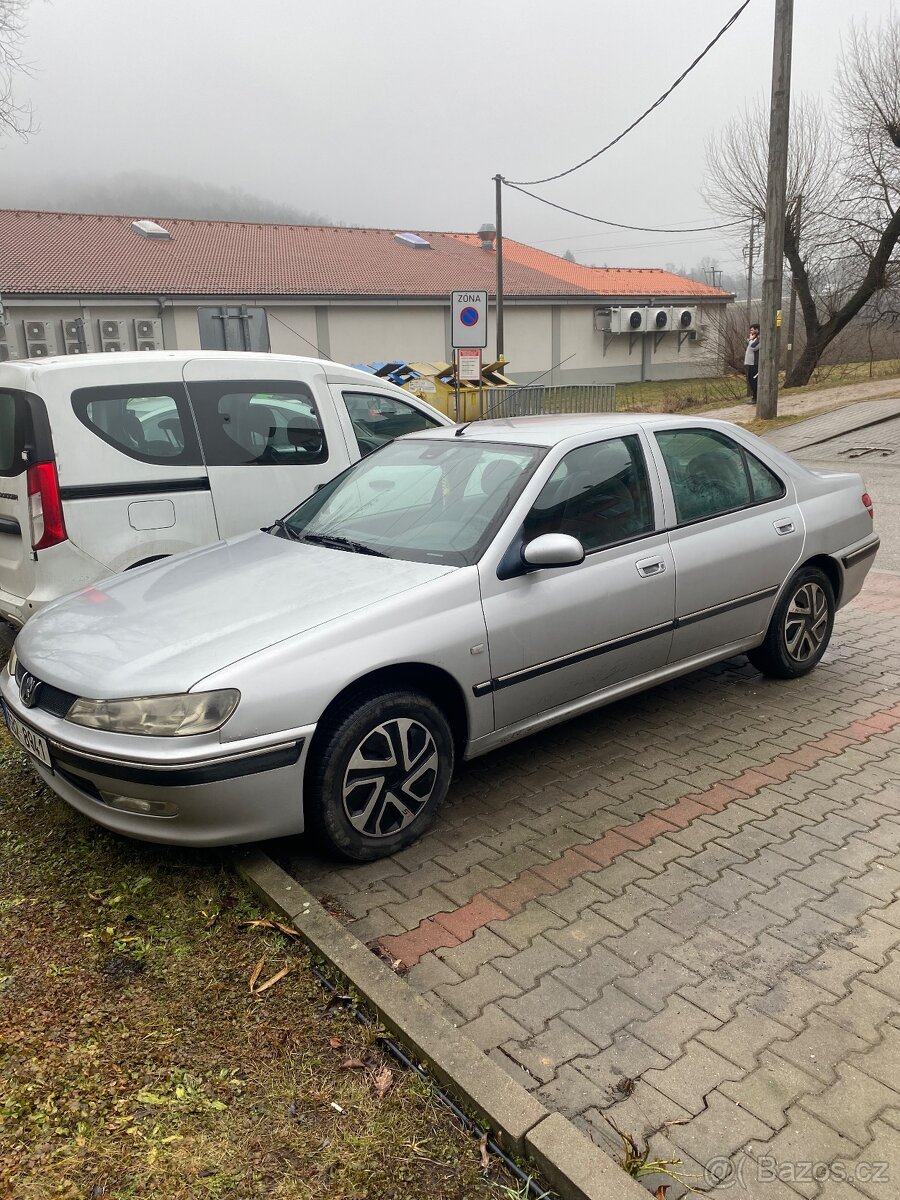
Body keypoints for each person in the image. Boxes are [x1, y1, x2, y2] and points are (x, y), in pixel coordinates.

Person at [744, 324, 760, 404]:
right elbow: (747, 347)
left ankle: (756, 398)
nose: (751, 332)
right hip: (750, 363)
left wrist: (750, 340)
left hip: (755, 363)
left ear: (757, 330)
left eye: (752, 330)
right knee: (750, 380)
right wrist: (749, 340)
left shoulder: (759, 338)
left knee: (754, 380)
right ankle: (754, 397)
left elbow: (754, 347)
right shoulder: (753, 338)